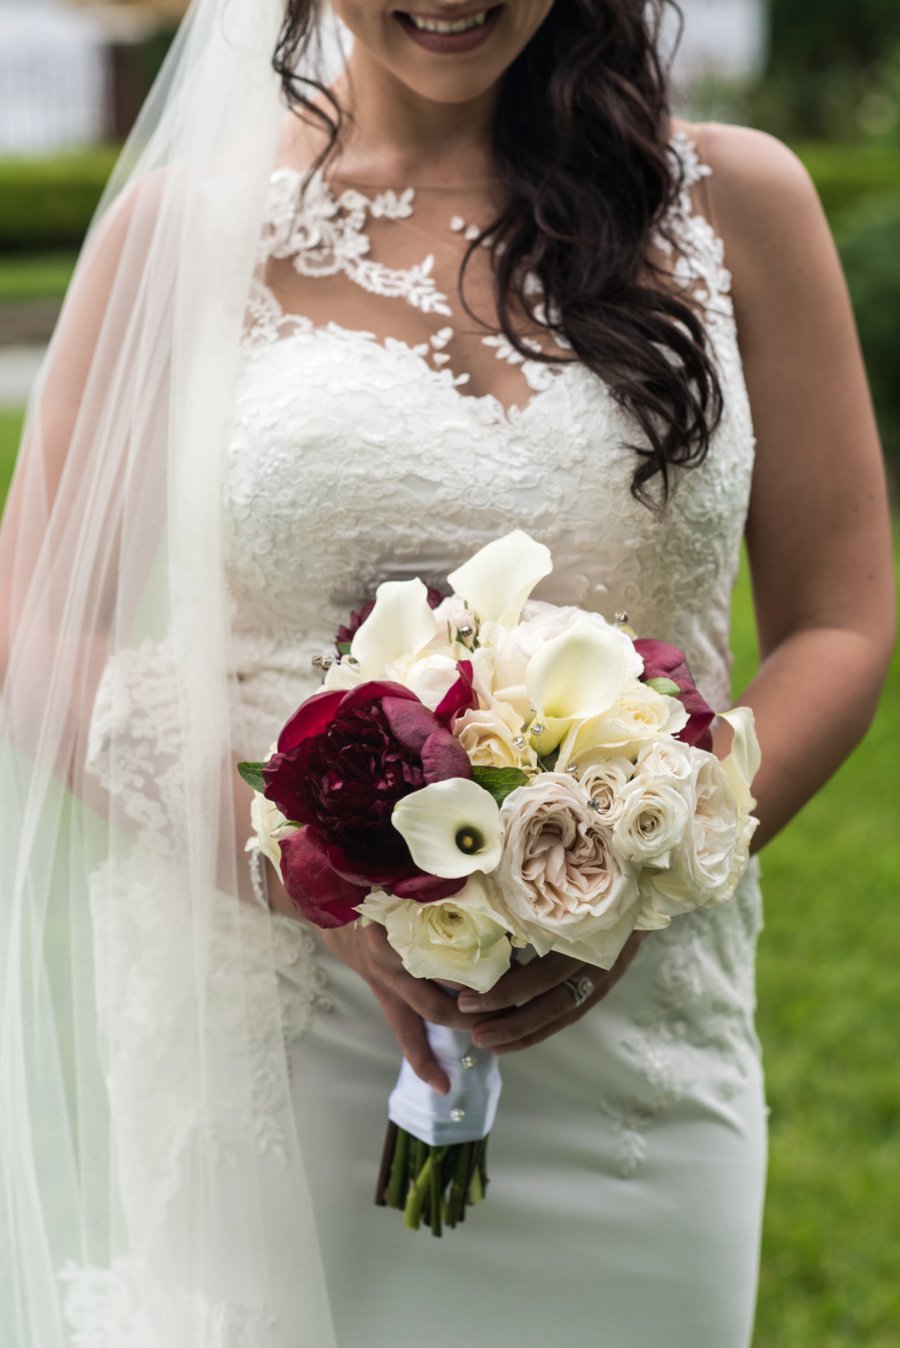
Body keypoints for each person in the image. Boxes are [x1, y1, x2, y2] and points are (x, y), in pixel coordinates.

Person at [0, 1, 893, 1345]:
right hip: (301, 1029)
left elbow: (840, 619)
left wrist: (641, 872)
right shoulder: (186, 234)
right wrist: (306, 882)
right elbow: (33, 625)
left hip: (643, 1046)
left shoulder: (741, 204)